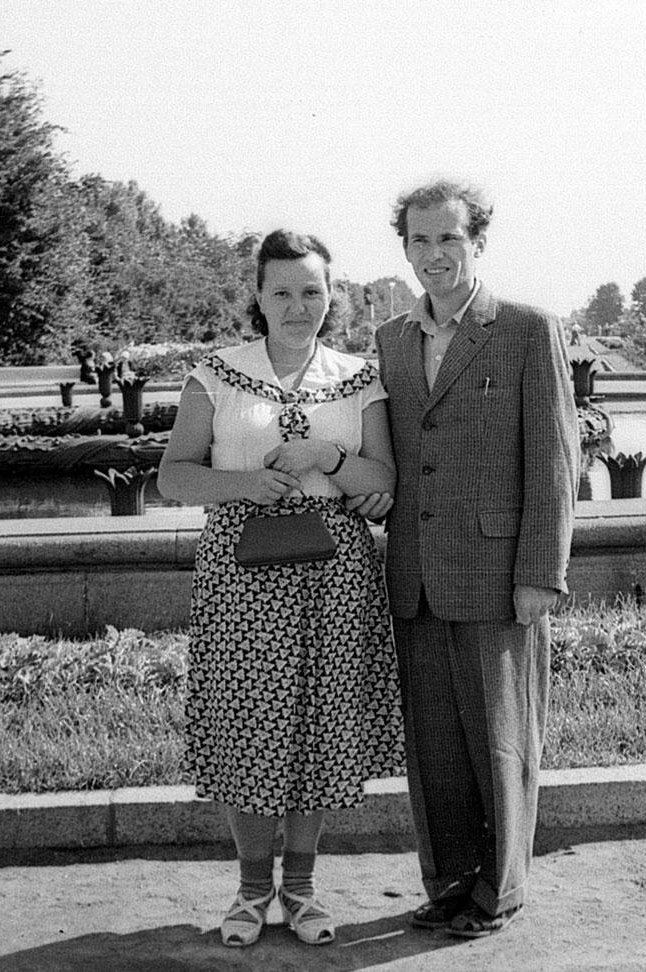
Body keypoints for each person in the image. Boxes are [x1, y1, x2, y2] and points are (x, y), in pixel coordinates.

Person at [157, 229, 404, 948]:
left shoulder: (359, 378)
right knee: (249, 727)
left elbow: (381, 482)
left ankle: (299, 891)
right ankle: (248, 893)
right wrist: (244, 484)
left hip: (335, 577)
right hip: (244, 575)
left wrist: (326, 454)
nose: (298, 307)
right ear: (258, 299)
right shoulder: (217, 374)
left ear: (333, 296)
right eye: (282, 292)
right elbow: (174, 475)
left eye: (312, 291)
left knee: (318, 731)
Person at [351, 179, 579, 939]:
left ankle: (501, 891)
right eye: (418, 240)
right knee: (436, 750)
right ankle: (449, 883)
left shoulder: (523, 328)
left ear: (476, 240)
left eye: (448, 237)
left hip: (496, 573)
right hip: (413, 576)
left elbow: (552, 460)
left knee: (500, 739)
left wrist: (539, 573)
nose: (433, 254)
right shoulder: (389, 339)